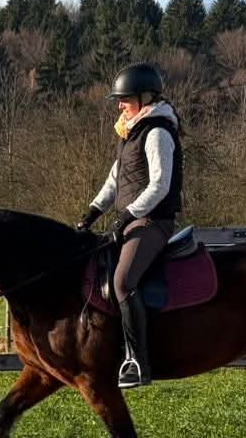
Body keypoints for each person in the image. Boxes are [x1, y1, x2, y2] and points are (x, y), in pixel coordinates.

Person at [77, 63, 183, 389]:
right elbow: (114, 181)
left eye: (124, 99)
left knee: (123, 281)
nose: (120, 105)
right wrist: (92, 213)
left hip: (153, 221)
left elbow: (160, 185)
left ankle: (138, 362)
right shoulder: (130, 134)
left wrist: (126, 216)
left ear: (144, 97)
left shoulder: (157, 132)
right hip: (134, 220)